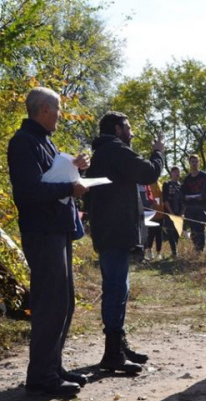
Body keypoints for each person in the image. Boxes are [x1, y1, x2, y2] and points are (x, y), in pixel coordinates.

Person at [8, 87, 90, 397]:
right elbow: (28, 193)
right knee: (49, 303)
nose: (60, 115)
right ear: (43, 110)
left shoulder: (45, 141)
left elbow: (53, 177)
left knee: (64, 301)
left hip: (58, 229)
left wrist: (74, 169)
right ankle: (41, 376)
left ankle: (53, 367)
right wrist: (71, 186)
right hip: (41, 232)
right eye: (57, 110)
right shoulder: (23, 143)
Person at [85, 111, 165, 373]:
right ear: (118, 129)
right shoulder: (116, 151)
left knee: (118, 289)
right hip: (116, 233)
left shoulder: (101, 154)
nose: (131, 133)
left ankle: (119, 345)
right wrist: (158, 152)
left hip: (109, 232)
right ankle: (112, 354)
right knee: (116, 291)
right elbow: (148, 172)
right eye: (128, 128)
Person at [181, 154, 206, 251]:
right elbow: (183, 193)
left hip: (202, 207)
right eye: (192, 161)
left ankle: (201, 249)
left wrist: (203, 196)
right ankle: (196, 249)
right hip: (191, 208)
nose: (194, 163)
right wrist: (186, 197)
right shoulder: (187, 178)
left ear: (199, 163)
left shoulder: (205, 176)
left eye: (196, 161)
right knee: (193, 230)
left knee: (201, 228)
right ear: (189, 163)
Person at [162, 166, 184, 257]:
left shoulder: (181, 186)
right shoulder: (166, 184)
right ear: (171, 173)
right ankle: (174, 251)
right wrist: (170, 212)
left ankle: (176, 249)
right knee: (170, 231)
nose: (177, 173)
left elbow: (184, 201)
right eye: (175, 172)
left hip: (179, 212)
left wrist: (182, 212)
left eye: (178, 172)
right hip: (169, 212)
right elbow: (165, 199)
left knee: (177, 232)